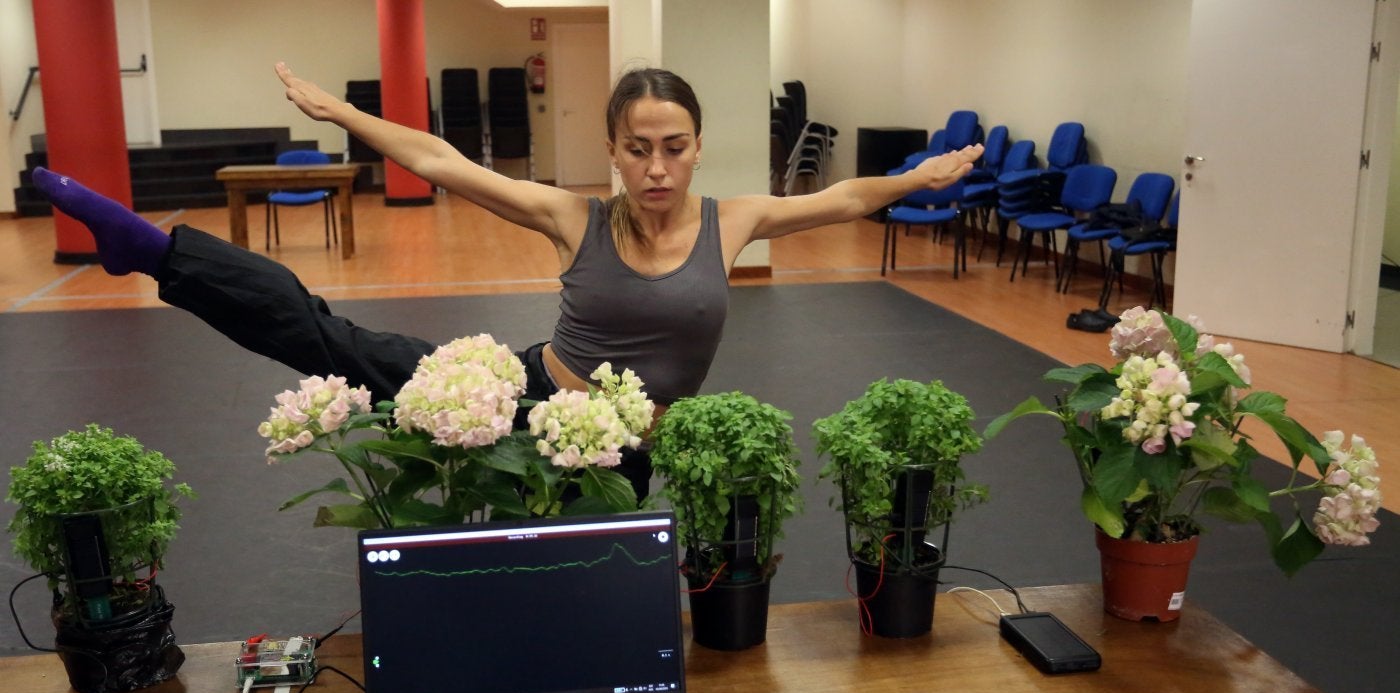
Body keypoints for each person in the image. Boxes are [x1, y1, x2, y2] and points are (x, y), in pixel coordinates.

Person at [34, 63, 982, 501]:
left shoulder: (734, 221)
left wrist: (919, 177)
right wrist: (346, 114)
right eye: (638, 149)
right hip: (529, 395)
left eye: (675, 148)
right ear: (614, 152)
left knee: (601, 572)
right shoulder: (577, 216)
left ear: (697, 151)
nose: (657, 167)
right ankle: (153, 251)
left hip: (632, 442)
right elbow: (447, 164)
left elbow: (850, 196)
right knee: (334, 341)